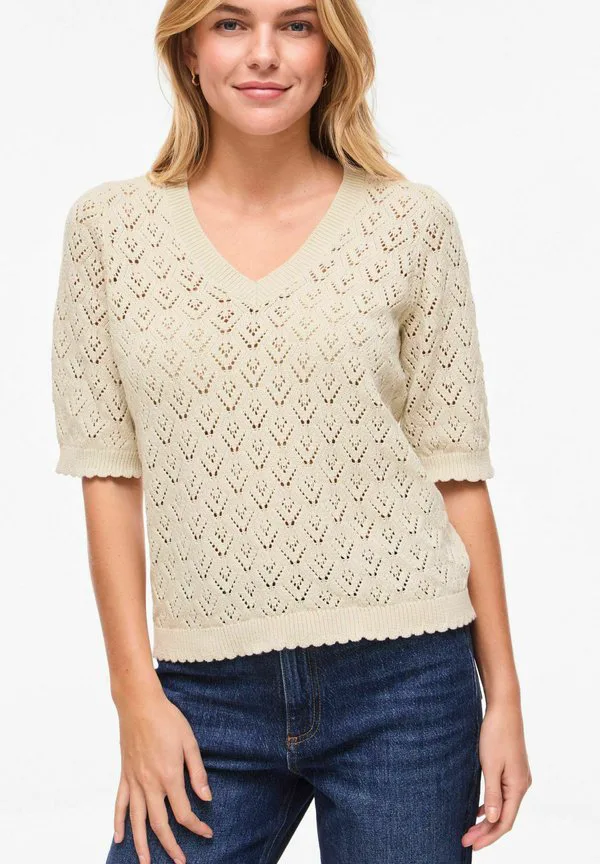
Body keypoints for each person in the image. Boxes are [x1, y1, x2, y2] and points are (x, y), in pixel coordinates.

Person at [50, 1, 532, 862]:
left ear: (332, 51)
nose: (264, 54)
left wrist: (506, 703)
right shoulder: (109, 230)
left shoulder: (410, 223)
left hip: (406, 684)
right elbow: (109, 477)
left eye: (298, 25)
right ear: (189, 51)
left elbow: (456, 477)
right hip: (205, 692)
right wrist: (135, 697)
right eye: (231, 24)